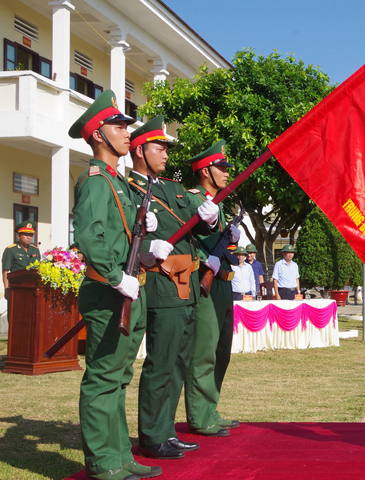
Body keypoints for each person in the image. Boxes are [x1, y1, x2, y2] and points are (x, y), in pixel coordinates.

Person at [69, 90, 162, 480]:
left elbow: (123, 238)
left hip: (127, 290)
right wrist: (115, 277)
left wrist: (148, 242)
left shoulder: (118, 182)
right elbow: (90, 238)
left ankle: (120, 455)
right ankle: (102, 461)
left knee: (120, 378)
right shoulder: (95, 181)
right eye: (119, 126)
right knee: (103, 378)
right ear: (97, 136)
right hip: (108, 292)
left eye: (126, 126)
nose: (127, 133)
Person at [126, 116, 221, 460]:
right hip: (162, 285)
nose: (166, 154)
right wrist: (151, 244)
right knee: (161, 363)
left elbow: (202, 231)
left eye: (167, 148)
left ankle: (166, 430)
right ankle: (151, 435)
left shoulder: (171, 188)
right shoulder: (128, 189)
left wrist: (210, 217)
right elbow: (129, 235)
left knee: (180, 363)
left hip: (188, 286)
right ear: (139, 151)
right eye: (158, 147)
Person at [184, 139, 241, 437]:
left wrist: (231, 236)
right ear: (206, 170)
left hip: (223, 283)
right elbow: (189, 240)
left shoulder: (219, 203)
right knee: (204, 351)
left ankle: (210, 407)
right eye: (221, 168)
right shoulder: (194, 200)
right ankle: (199, 414)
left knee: (222, 350)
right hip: (204, 283)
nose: (227, 173)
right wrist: (207, 259)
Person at [2, 221, 40, 297]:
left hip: (33, 288)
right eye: (26, 235)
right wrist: (6, 289)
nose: (29, 237)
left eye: (31, 235)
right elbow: (5, 271)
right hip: (17, 287)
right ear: (18, 236)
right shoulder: (11, 250)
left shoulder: (35, 250)